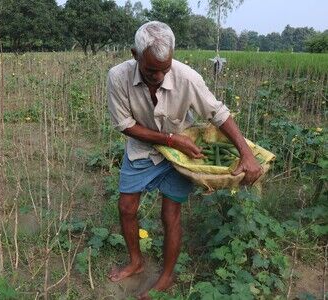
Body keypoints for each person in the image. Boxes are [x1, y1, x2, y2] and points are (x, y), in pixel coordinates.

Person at [106, 21, 262, 299]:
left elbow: (219, 113)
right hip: (143, 149)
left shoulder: (187, 77)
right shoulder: (117, 77)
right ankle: (135, 261)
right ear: (135, 54)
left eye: (164, 69)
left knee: (170, 214)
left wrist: (246, 154)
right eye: (150, 69)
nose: (158, 76)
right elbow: (125, 125)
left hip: (181, 155)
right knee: (126, 207)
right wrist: (169, 139)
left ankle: (165, 277)